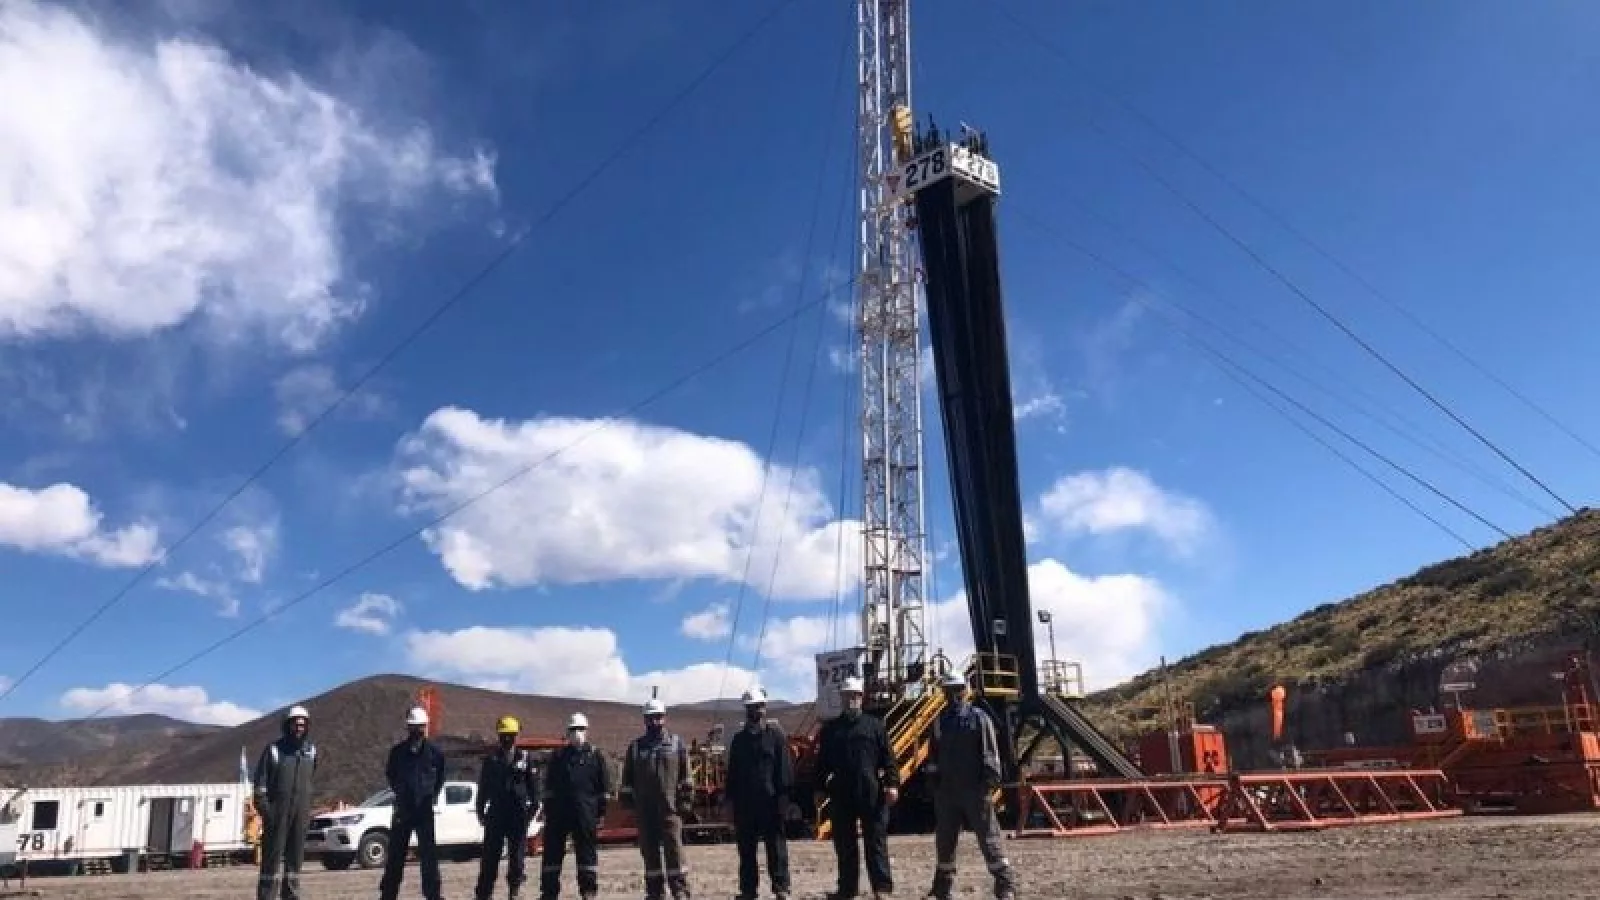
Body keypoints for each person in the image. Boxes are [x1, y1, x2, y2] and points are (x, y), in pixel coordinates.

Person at [924, 672, 1015, 900]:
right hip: (947, 791)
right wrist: (933, 782)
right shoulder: (939, 722)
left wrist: (989, 783)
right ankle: (942, 887)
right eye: (948, 691)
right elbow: (933, 755)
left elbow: (990, 752)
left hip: (975, 789)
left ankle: (1004, 885)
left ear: (965, 691)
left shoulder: (979, 718)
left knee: (988, 836)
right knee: (945, 839)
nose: (952, 695)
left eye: (956, 690)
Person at [815, 676, 897, 900]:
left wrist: (892, 784)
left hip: (871, 791)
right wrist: (819, 789)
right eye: (847, 695)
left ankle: (882, 888)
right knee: (844, 844)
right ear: (841, 698)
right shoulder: (831, 730)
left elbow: (888, 759)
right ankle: (847, 889)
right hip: (841, 792)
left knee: (875, 841)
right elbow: (822, 764)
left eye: (855, 695)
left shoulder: (875, 726)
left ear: (861, 697)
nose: (851, 699)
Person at [620, 697, 694, 900]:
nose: (655, 722)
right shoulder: (636, 747)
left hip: (670, 809)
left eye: (658, 717)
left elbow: (686, 776)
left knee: (674, 850)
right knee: (649, 852)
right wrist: (629, 804)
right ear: (645, 720)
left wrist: (685, 802)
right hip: (645, 811)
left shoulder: (676, 744)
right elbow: (627, 780)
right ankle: (655, 892)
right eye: (651, 718)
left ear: (664, 718)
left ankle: (679, 890)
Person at [725, 686, 793, 900]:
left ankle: (781, 887)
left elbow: (784, 769)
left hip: (770, 803)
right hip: (745, 804)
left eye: (760, 707)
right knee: (746, 850)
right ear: (746, 710)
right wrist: (729, 801)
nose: (756, 711)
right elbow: (732, 774)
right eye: (752, 707)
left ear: (765, 708)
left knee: (776, 848)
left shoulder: (776, 737)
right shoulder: (739, 741)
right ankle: (748, 890)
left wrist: (783, 798)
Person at [539, 712, 611, 900]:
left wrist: (600, 813)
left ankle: (588, 892)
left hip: (585, 813)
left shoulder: (595, 756)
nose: (576, 733)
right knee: (552, 855)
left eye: (580, 729)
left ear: (586, 731)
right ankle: (549, 893)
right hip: (559, 814)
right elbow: (549, 787)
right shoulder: (558, 756)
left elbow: (604, 788)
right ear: (567, 732)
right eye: (573, 729)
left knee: (586, 855)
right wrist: (548, 811)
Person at [380, 706, 448, 900]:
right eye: (414, 726)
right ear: (408, 727)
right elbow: (391, 775)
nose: (418, 730)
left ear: (425, 727)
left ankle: (433, 895)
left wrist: (431, 796)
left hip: (424, 810)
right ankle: (388, 895)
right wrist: (402, 793)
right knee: (395, 856)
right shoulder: (397, 753)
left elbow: (440, 777)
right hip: (403, 810)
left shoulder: (435, 753)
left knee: (429, 857)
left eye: (421, 726)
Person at [252, 704, 318, 900]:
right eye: (295, 724)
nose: (299, 728)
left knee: (295, 862)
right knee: (271, 863)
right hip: (277, 815)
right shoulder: (274, 751)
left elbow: (310, 779)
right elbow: (260, 787)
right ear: (287, 725)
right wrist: (268, 813)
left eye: (303, 725)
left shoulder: (311, 752)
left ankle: (291, 896)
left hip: (300, 815)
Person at [476, 715, 541, 900]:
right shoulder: (491, 760)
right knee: (489, 859)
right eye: (504, 735)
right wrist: (480, 811)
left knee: (517, 860)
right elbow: (483, 789)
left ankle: (514, 892)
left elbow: (534, 792)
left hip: (517, 816)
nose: (507, 739)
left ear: (517, 736)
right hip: (496, 815)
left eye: (511, 735)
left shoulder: (526, 759)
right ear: (499, 736)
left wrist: (529, 816)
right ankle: (484, 895)